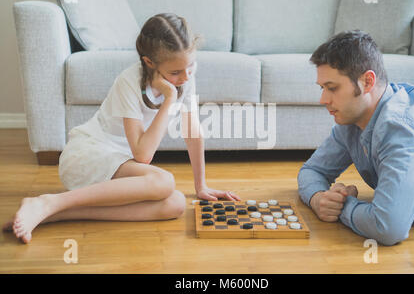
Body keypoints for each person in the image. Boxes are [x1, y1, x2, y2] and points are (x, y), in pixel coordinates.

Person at [3, 13, 240, 244]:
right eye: (175, 72)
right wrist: (169, 100)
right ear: (149, 63)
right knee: (164, 181)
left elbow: (192, 131)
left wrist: (201, 186)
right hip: (87, 157)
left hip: (116, 169)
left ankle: (54, 211)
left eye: (190, 66)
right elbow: (143, 155)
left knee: (175, 204)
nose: (185, 77)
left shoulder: (185, 75)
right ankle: (49, 202)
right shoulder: (129, 82)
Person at [298, 30, 414, 246]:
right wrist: (318, 198)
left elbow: (387, 227)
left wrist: (344, 205)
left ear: (367, 82)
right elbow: (312, 170)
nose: (323, 99)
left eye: (332, 88)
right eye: (322, 88)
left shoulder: (403, 129)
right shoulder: (352, 120)